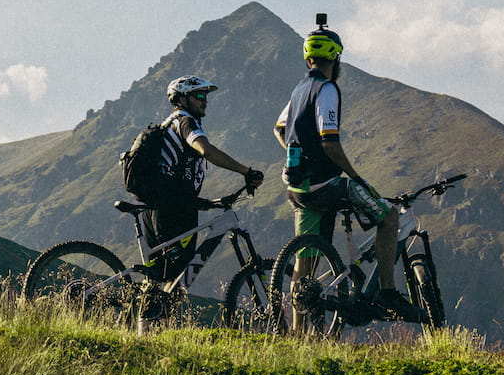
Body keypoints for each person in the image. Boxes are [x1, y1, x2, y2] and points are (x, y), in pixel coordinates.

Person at [273, 17, 408, 311]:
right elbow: (330, 143)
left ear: (308, 57)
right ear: (335, 56)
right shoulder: (327, 89)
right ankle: (388, 294)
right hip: (326, 184)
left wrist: (299, 152)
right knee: (389, 218)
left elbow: (279, 128)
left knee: (305, 258)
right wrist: (357, 177)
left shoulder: (298, 91)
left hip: (298, 186)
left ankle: (298, 334)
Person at [145, 75, 264, 286]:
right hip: (173, 210)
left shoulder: (169, 124)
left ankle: (146, 317)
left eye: (206, 96)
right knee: (174, 273)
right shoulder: (185, 122)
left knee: (163, 276)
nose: (205, 100)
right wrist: (245, 171)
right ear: (182, 100)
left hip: (163, 205)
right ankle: (145, 314)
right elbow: (206, 150)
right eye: (199, 95)